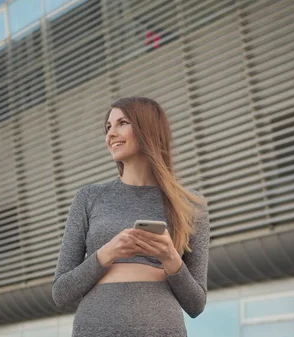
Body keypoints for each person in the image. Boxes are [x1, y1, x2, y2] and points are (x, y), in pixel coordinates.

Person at [52, 97, 210, 337]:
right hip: (95, 327)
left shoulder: (189, 204)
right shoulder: (88, 197)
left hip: (162, 328)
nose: (111, 134)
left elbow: (196, 304)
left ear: (147, 128)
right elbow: (61, 292)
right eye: (108, 127)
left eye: (122, 123)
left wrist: (169, 258)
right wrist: (108, 253)